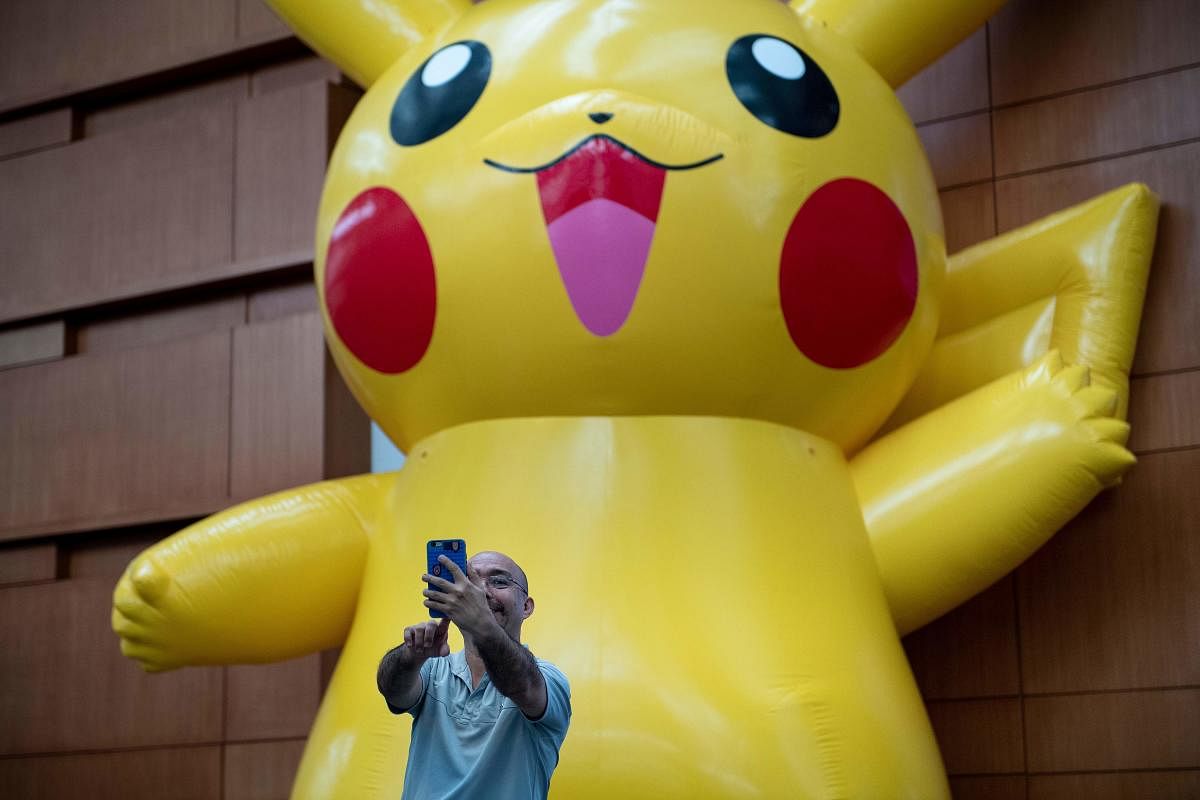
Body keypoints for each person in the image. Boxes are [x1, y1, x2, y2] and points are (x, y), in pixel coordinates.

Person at [377, 550, 571, 800]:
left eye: (499, 581)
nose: (480, 592)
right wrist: (411, 654)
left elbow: (523, 686)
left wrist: (480, 620)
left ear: (526, 606)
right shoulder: (434, 668)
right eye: (470, 582)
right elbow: (392, 690)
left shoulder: (548, 679)